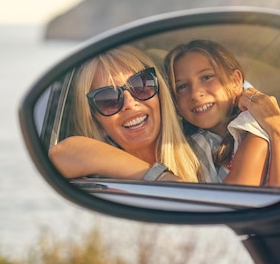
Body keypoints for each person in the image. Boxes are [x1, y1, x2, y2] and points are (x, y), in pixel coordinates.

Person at [163, 39, 280, 187]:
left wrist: (278, 131)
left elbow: (274, 200)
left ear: (236, 81)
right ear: (174, 102)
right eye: (182, 87)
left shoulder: (254, 122)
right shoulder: (195, 145)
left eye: (207, 77)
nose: (195, 93)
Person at [49, 45, 203, 183]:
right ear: (97, 121)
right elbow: (62, 154)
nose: (129, 103)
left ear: (160, 94)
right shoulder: (100, 180)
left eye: (141, 85)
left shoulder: (204, 150)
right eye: (108, 99)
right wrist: (160, 177)